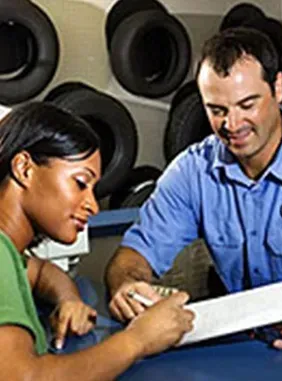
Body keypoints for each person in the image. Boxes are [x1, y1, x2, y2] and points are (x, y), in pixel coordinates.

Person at [105, 27, 282, 358]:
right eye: (217, 110)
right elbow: (133, 256)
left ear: (278, 88)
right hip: (243, 354)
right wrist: (128, 287)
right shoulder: (194, 171)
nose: (232, 124)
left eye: (247, 104)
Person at [0, 102, 194, 380]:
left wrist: (68, 300)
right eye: (80, 183)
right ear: (24, 169)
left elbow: (40, 271)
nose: (93, 206)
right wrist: (138, 339)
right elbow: (25, 378)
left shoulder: (8, 253)